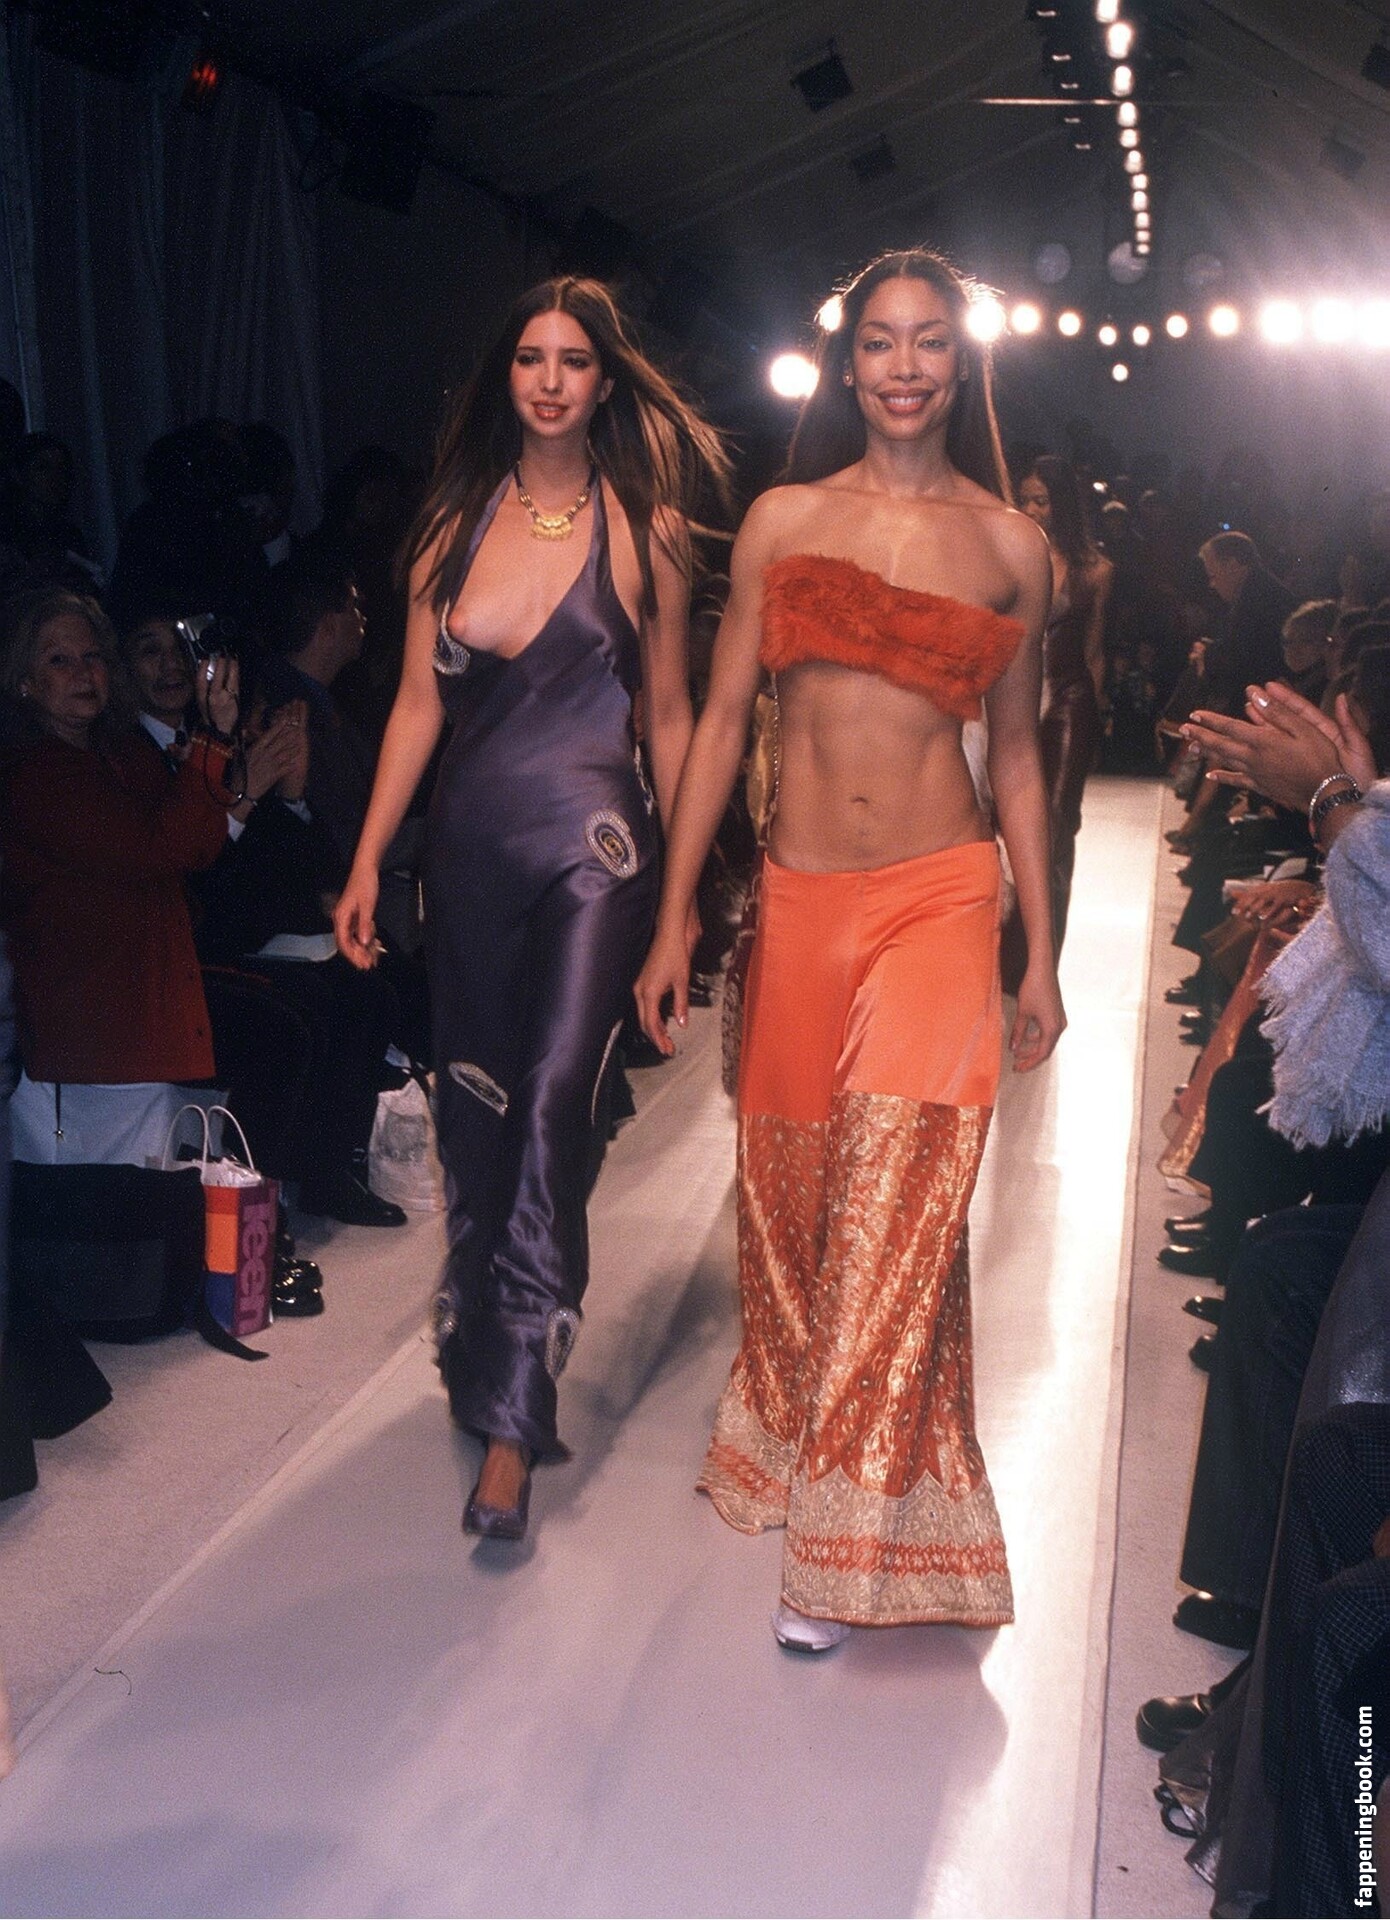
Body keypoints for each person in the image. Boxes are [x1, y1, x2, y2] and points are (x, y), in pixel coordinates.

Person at [635, 248, 1064, 1652]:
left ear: (961, 361)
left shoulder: (1013, 548)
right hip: (800, 900)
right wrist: (675, 912)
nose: (903, 366)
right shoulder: (780, 519)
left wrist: (1040, 949)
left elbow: (1017, 759)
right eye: (879, 341)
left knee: (897, 1206)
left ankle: (840, 1541)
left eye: (928, 341)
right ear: (849, 361)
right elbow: (716, 723)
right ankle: (796, 1440)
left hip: (941, 898)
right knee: (792, 1208)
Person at [335, 276, 730, 1540]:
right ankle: (484, 1329)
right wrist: (366, 857)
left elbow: (670, 717)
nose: (550, 381)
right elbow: (415, 704)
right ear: (503, 378)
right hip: (468, 858)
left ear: (606, 383)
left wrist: (681, 903)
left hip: (598, 857)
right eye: (529, 359)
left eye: (573, 361)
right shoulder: (448, 526)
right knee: (477, 1113)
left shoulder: (648, 530)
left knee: (556, 1103)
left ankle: (513, 1417)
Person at [0, 589, 233, 1164]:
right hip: (92, 1038)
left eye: (93, 657)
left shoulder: (122, 754)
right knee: (118, 1203)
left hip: (147, 1015)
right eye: (59, 660)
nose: (83, 673)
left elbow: (198, 846)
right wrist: (211, 740)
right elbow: (164, 845)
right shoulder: (34, 773)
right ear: (25, 682)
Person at [1017, 453, 1113, 956]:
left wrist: (1094, 724)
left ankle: (1040, 960)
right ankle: (1007, 954)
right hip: (1013, 701)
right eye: (1025, 500)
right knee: (1010, 826)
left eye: (1042, 501)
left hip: (1068, 702)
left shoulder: (1094, 571)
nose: (1032, 510)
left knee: (1055, 826)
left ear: (1064, 505)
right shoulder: (1007, 555)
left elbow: (1095, 652)